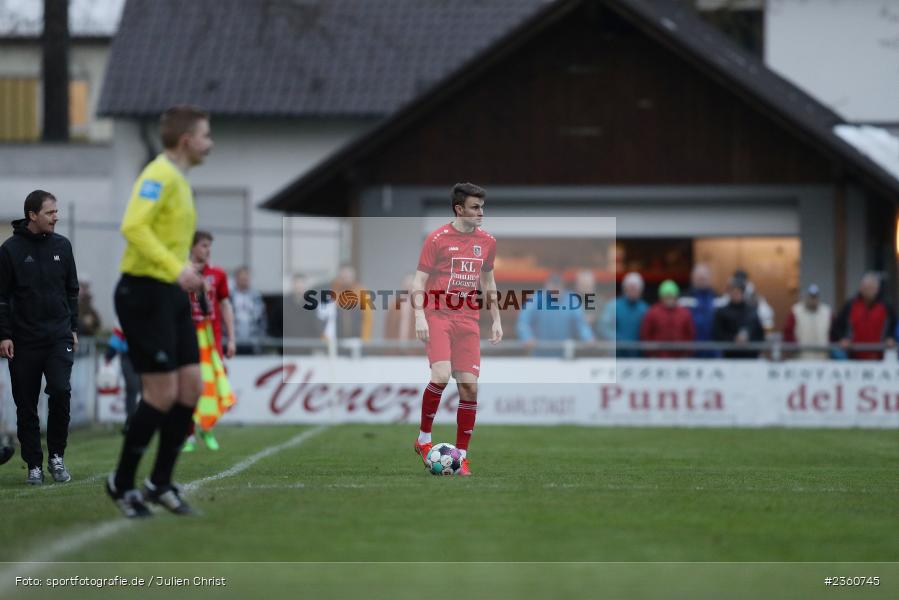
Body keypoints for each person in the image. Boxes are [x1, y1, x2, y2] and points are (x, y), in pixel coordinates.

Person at [106, 105, 212, 518]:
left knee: (190, 388)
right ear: (186, 140)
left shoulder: (180, 181)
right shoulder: (158, 175)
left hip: (169, 294)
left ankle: (159, 482)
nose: (210, 143)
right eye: (206, 135)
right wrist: (175, 267)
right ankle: (121, 481)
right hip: (143, 292)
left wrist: (185, 273)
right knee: (160, 393)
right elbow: (133, 227)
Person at [412, 183, 502, 476]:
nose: (481, 213)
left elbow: (488, 283)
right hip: (437, 314)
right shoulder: (436, 239)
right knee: (440, 375)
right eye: (475, 208)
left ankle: (461, 456)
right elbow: (418, 282)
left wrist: (496, 319)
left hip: (468, 320)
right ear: (459, 209)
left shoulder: (487, 241)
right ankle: (424, 439)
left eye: (482, 207)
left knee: (469, 386)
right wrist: (419, 318)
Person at [0, 190, 79, 485]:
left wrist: (73, 327)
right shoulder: (9, 250)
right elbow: (2, 297)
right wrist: (4, 335)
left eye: (56, 211)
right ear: (32, 215)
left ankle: (56, 456)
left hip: (58, 335)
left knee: (60, 391)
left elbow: (72, 290)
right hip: (23, 340)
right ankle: (34, 463)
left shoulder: (63, 246)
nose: (56, 217)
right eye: (50, 212)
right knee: (26, 405)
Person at [183, 230, 236, 452]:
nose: (207, 250)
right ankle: (188, 434)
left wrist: (231, 338)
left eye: (209, 246)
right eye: (204, 245)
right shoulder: (181, 273)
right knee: (189, 387)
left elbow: (225, 304)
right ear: (193, 247)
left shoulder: (218, 274)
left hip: (211, 340)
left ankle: (207, 428)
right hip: (187, 337)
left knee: (212, 386)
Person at [516, 273, 594, 357]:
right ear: (546, 287)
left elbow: (581, 323)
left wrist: (588, 337)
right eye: (552, 287)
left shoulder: (571, 300)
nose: (555, 290)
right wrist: (527, 337)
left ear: (562, 287)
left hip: (564, 355)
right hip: (539, 354)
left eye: (557, 287)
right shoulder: (536, 299)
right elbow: (523, 322)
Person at [832, 273, 896, 360]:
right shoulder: (850, 305)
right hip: (854, 357)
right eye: (865, 287)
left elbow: (894, 326)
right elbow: (836, 327)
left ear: (877, 289)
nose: (868, 290)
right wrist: (842, 339)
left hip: (879, 357)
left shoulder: (886, 307)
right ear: (861, 288)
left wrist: (890, 338)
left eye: (871, 288)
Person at [640, 280, 695, 358]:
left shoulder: (684, 313)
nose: (669, 299)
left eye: (671, 296)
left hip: (679, 358)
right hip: (658, 357)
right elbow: (646, 333)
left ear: (676, 297)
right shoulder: (653, 312)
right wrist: (651, 353)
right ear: (661, 297)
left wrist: (686, 353)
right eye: (666, 296)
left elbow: (690, 334)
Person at [597, 272, 648, 357]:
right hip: (616, 354)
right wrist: (619, 340)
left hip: (638, 356)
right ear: (624, 288)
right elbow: (603, 327)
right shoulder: (612, 306)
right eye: (630, 288)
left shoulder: (645, 309)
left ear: (641, 290)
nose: (633, 291)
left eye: (635, 288)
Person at [712, 278, 764, 359]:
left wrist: (748, 339)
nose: (736, 294)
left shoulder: (752, 312)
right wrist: (733, 339)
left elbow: (759, 334)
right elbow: (718, 334)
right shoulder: (722, 312)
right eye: (733, 292)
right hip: (728, 357)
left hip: (750, 357)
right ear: (729, 293)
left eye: (739, 292)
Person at [104, 323, 141, 432]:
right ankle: (131, 422)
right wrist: (109, 354)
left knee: (147, 390)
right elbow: (118, 336)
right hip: (129, 357)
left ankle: (147, 421)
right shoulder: (126, 314)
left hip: (145, 356)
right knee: (132, 389)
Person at [678, 264, 718, 357]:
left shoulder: (719, 299)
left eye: (704, 278)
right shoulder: (683, 299)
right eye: (699, 278)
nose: (702, 280)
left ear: (710, 278)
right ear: (693, 278)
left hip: (714, 350)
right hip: (690, 350)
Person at [783, 284, 832, 360]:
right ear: (805, 297)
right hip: (800, 358)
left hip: (822, 359)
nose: (813, 300)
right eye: (811, 297)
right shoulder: (796, 311)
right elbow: (788, 332)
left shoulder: (827, 312)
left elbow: (834, 333)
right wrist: (794, 347)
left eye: (815, 297)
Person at [231, 266, 267, 355]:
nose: (245, 281)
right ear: (236, 279)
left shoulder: (256, 296)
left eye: (247, 278)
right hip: (234, 342)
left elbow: (262, 320)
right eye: (242, 278)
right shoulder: (229, 296)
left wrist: (261, 340)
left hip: (253, 343)